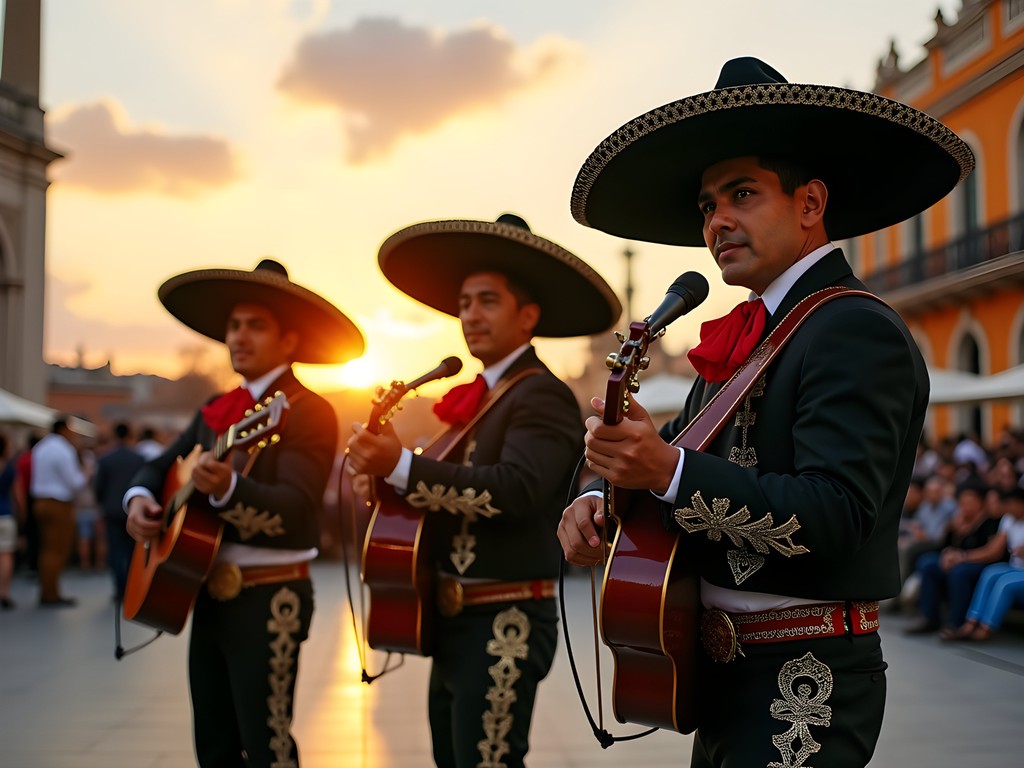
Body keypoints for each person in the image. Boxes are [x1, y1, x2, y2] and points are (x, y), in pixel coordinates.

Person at [557, 57, 972, 767]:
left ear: (810, 204)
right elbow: (673, 466)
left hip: (804, 679)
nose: (718, 220)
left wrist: (667, 469)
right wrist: (600, 497)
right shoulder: (745, 338)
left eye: (742, 194)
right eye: (708, 205)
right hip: (719, 675)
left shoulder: (853, 328)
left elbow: (837, 514)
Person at [347, 213, 620, 768]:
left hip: (505, 619)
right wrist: (386, 477)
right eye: (465, 302)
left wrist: (400, 464)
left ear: (528, 316)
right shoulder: (479, 400)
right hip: (452, 620)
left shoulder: (541, 394)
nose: (470, 314)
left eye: (488, 301)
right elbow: (441, 498)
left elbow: (516, 490)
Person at [124, 258, 364, 768]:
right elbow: (158, 468)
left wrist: (230, 488)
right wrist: (140, 501)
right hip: (204, 590)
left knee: (268, 743)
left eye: (256, 326)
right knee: (212, 744)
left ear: (290, 341)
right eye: (234, 325)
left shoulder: (307, 410)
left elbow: (299, 509)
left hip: (270, 595)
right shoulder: (215, 409)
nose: (239, 336)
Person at [904, 479, 1003, 635]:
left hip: (980, 563)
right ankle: (929, 617)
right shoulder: (958, 520)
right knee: (928, 563)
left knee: (960, 572)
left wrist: (961, 557)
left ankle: (956, 623)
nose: (965, 506)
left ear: (981, 503)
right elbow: (945, 545)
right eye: (962, 502)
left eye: (970, 502)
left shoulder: (991, 522)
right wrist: (951, 533)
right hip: (957, 559)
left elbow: (991, 552)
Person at [941, 486, 1024, 641]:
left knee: (1004, 583)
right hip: (1014, 567)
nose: (1008, 507)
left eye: (1011, 503)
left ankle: (986, 628)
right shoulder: (1008, 519)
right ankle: (971, 623)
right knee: (990, 572)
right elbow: (994, 549)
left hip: (1019, 573)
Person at [30, 418, 89, 606]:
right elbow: (75, 483)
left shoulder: (41, 447)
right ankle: (50, 593)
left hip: (40, 501)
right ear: (63, 429)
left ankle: (48, 590)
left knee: (47, 548)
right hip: (58, 503)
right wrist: (87, 472)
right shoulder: (64, 449)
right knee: (57, 549)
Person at [94, 422, 145, 602]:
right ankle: (133, 587)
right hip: (133, 509)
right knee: (133, 552)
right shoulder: (138, 458)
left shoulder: (106, 458)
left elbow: (98, 486)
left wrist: (101, 504)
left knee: (115, 550)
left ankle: (119, 588)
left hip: (112, 509)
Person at [0, 433, 16, 609]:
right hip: (5, 514)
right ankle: (4, 591)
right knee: (5, 555)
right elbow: (17, 494)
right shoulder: (9, 467)